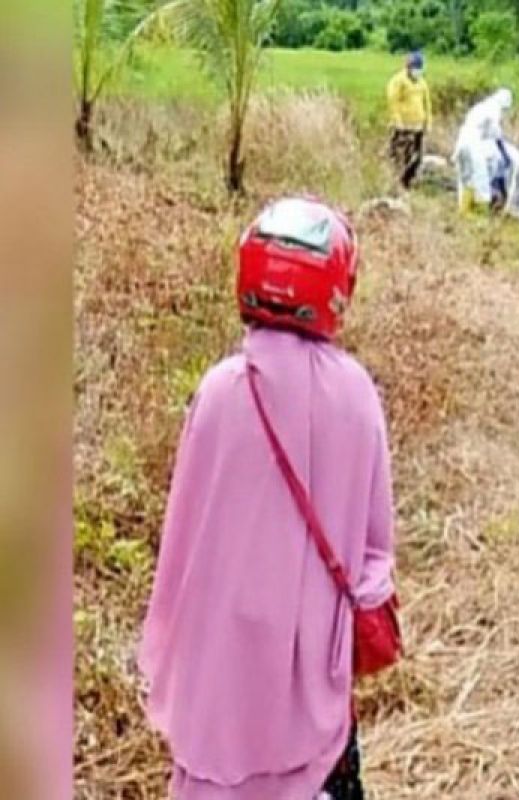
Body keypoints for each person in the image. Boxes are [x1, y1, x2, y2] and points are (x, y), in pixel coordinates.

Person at [138, 197, 398, 799]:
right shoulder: (356, 396)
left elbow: (184, 535)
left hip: (218, 666)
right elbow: (373, 554)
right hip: (308, 678)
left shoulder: (220, 390)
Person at [453, 88, 514, 213]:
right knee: (480, 180)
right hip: (473, 144)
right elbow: (495, 135)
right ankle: (480, 213)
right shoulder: (494, 109)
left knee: (465, 179)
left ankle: (463, 210)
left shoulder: (480, 107)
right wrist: (504, 153)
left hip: (461, 141)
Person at [386, 51, 433, 191]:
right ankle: (396, 182)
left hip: (417, 126)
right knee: (400, 156)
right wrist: (397, 120)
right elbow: (393, 101)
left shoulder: (422, 83)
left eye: (419, 67)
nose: (417, 70)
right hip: (402, 126)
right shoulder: (398, 81)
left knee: (416, 158)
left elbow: (427, 103)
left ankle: (408, 183)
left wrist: (428, 122)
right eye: (415, 67)